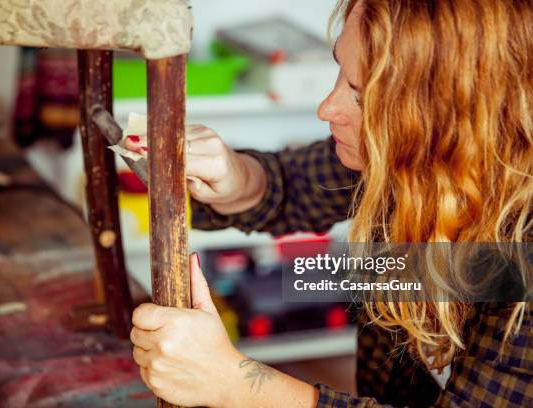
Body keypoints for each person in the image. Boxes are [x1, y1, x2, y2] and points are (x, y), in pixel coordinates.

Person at [123, 0, 532, 406]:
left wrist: (236, 383)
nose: (326, 108)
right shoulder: (412, 161)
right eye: (341, 70)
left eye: (362, 95)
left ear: (457, 119)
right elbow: (293, 183)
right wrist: (234, 176)